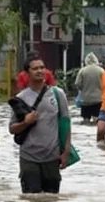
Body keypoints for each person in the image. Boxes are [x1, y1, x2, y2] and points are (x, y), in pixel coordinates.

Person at [8, 56, 71, 194]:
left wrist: (66, 152)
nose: (40, 71)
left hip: (52, 156)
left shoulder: (57, 94)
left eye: (42, 67)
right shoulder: (20, 98)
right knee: (31, 200)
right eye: (35, 68)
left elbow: (66, 124)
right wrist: (26, 122)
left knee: (52, 201)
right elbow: (12, 128)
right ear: (27, 73)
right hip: (28, 156)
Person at [75, 52, 105, 123]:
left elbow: (77, 83)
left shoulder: (82, 70)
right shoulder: (101, 70)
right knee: (97, 120)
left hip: (86, 100)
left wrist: (82, 90)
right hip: (99, 99)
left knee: (86, 120)